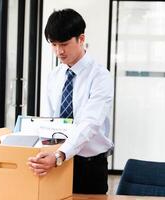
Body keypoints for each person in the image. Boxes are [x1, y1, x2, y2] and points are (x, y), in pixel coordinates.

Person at [27, 8, 114, 194]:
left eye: (64, 44)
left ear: (81, 39)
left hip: (89, 166)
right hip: (56, 161)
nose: (59, 51)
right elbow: (51, 120)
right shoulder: (54, 76)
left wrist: (60, 155)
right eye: (54, 44)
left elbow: (89, 123)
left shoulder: (100, 76)